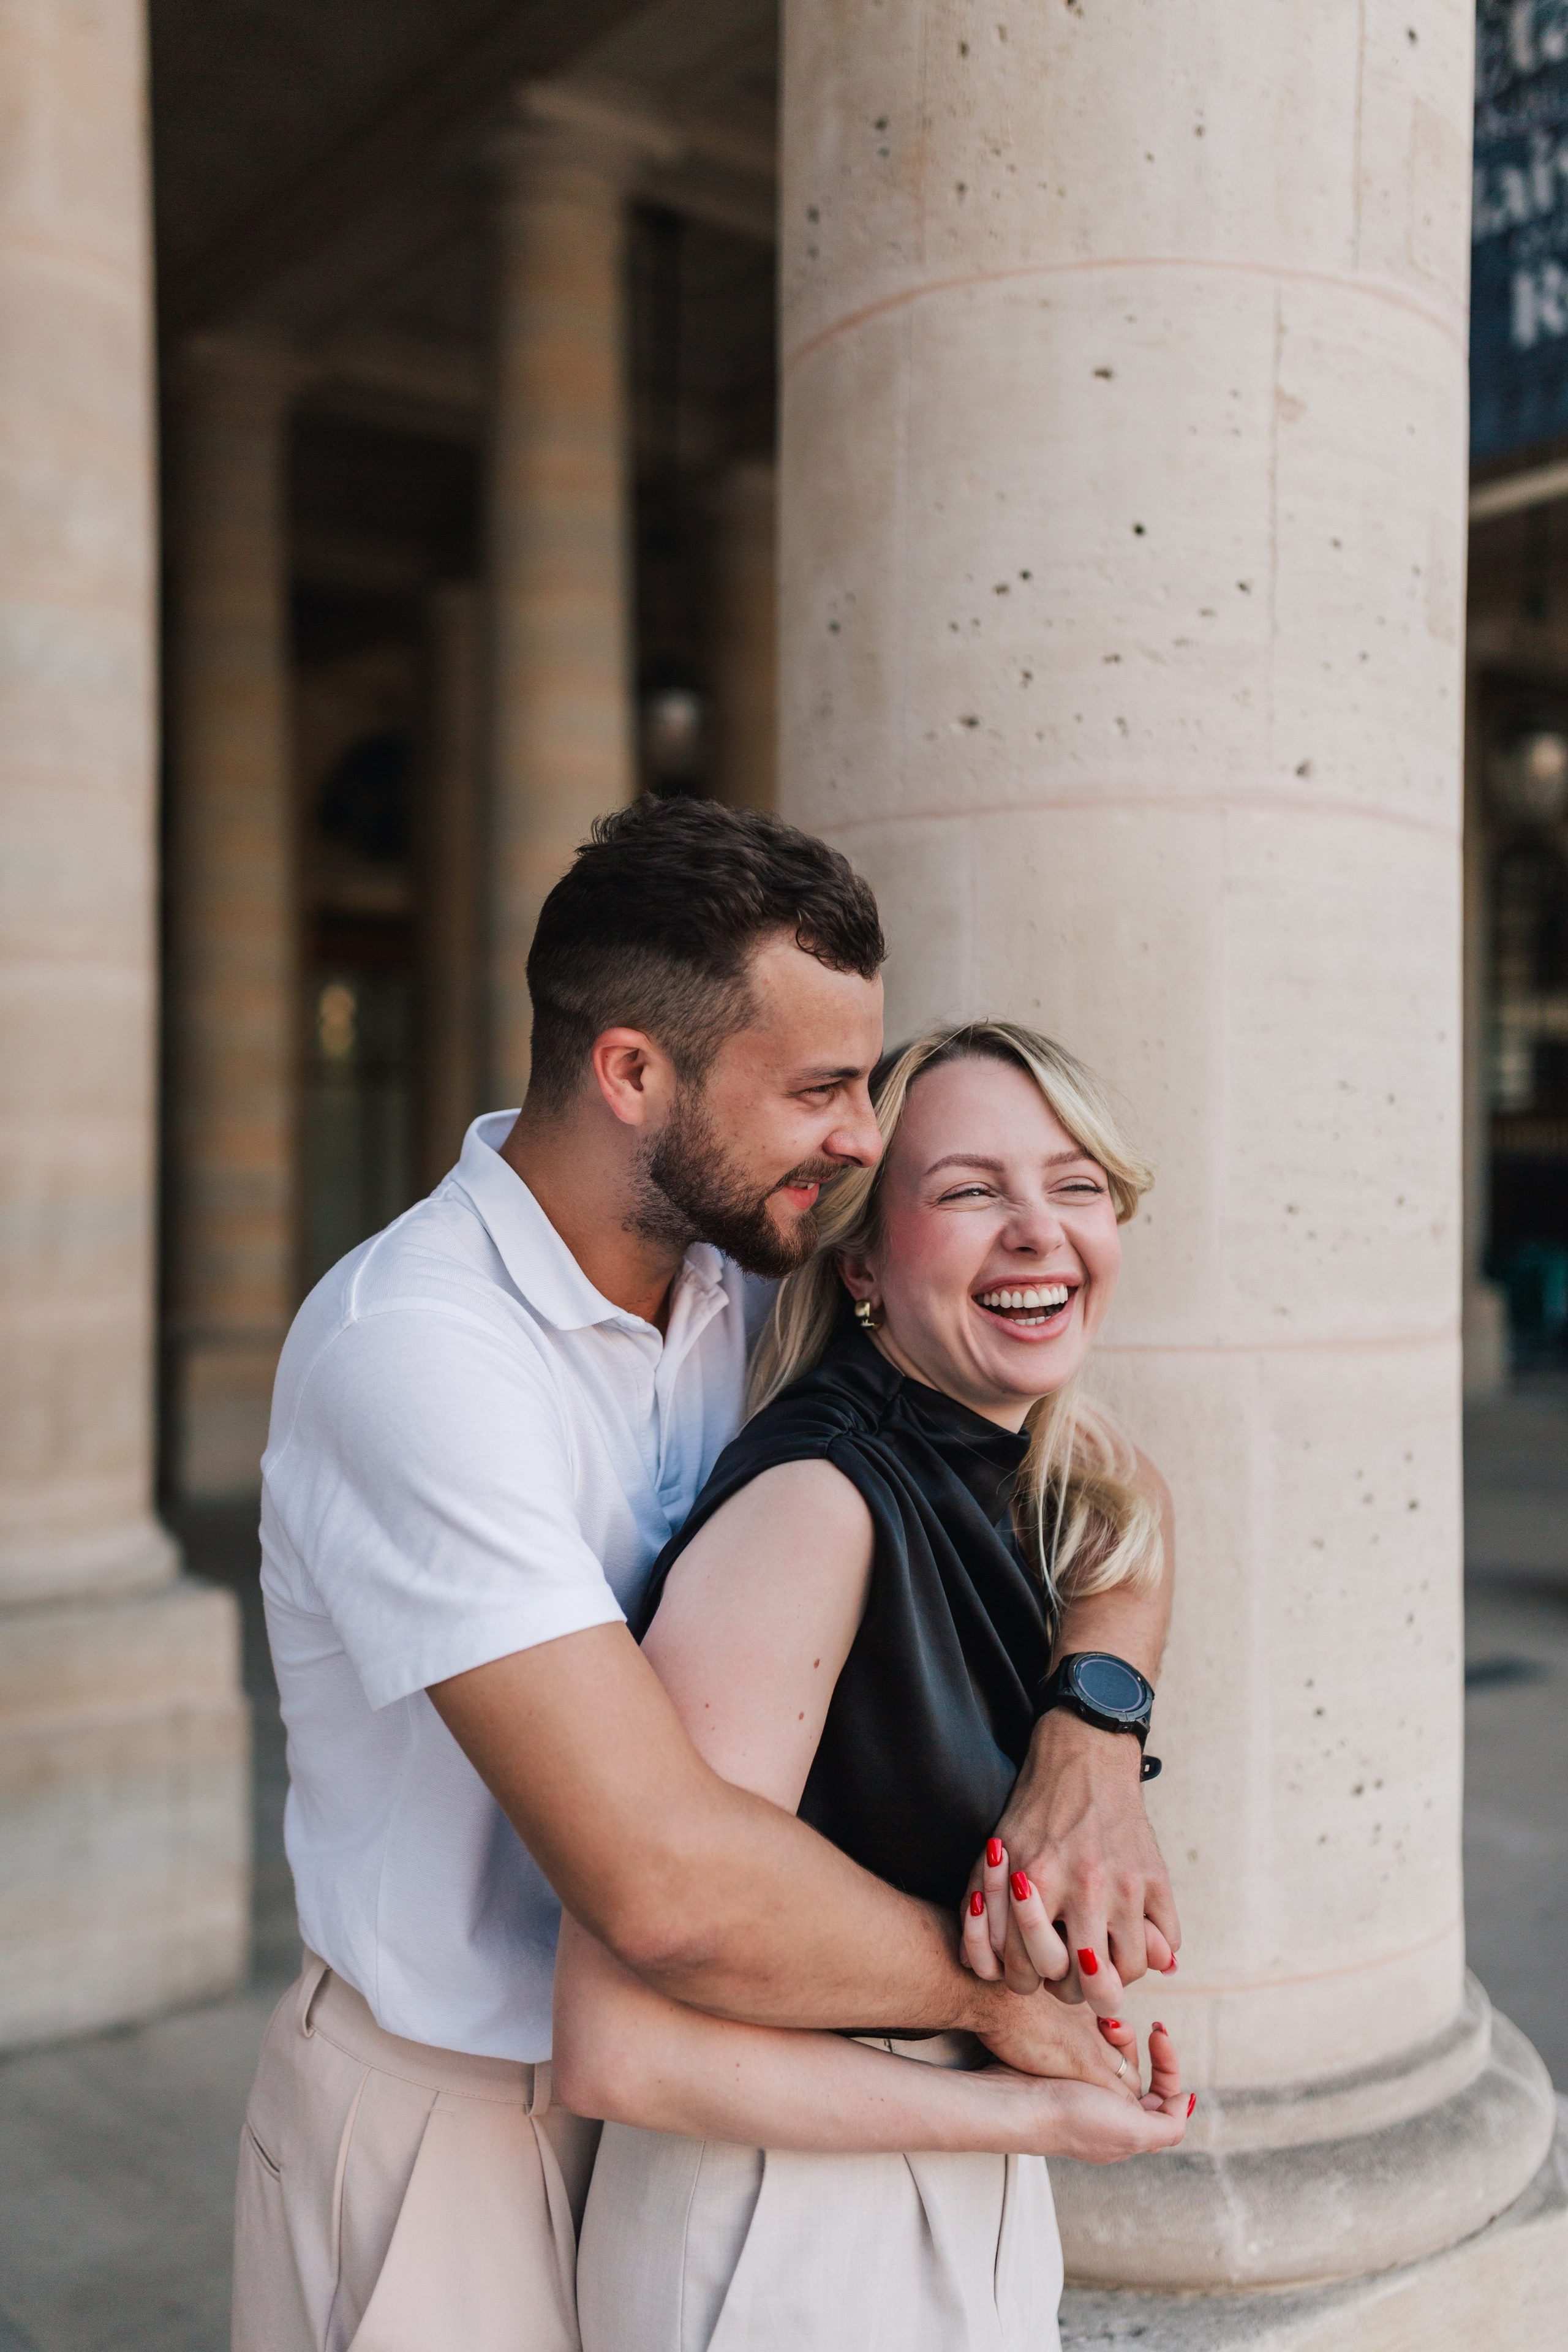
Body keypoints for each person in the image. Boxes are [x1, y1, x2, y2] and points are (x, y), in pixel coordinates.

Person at [231, 799, 1182, 2352]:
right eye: (817, 1089)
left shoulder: (747, 1277)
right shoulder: (414, 1353)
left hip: (704, 2080)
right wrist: (996, 1996)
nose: (862, 1141)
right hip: (459, 2115)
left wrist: (1091, 1737)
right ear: (629, 1073)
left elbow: (1107, 1476)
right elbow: (663, 1882)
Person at [559, 1020, 1187, 2352]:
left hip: (930, 2174)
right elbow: (623, 2049)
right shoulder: (817, 1506)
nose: (1036, 1230)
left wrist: (1091, 1738)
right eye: (968, 1191)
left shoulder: (1021, 1462)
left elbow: (1136, 1509)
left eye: (1074, 1185)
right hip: (783, 2228)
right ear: (859, 1263)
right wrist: (1029, 2103)